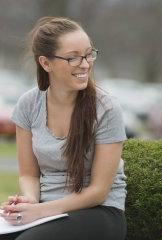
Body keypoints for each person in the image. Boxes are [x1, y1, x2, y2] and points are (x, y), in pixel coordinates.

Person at [0, 17, 127, 240]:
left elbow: (98, 192)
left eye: (88, 54)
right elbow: (29, 174)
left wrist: (38, 211)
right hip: (45, 210)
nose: (85, 64)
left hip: (98, 212)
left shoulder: (106, 108)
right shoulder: (28, 105)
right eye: (73, 57)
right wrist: (29, 200)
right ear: (45, 63)